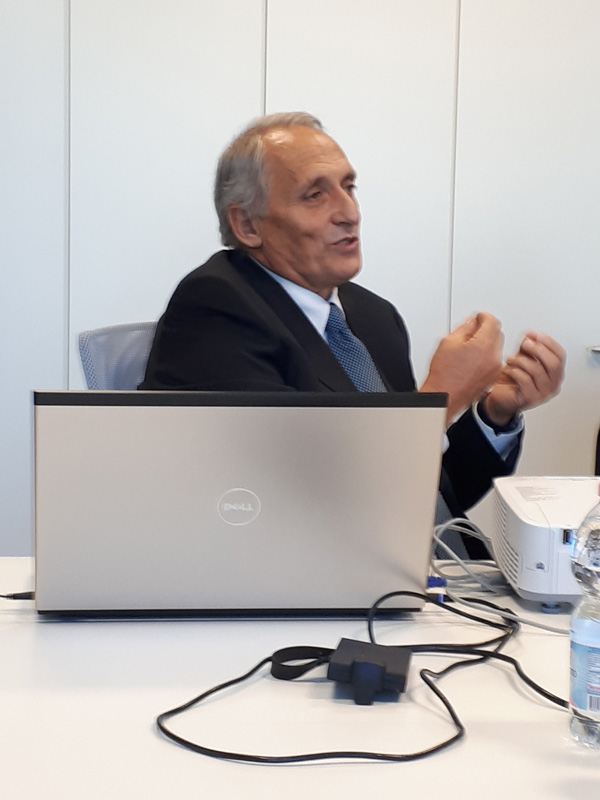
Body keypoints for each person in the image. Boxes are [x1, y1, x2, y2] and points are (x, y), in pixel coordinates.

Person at [140, 112, 565, 551]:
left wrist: (494, 414)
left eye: (349, 187)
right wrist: (444, 394)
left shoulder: (373, 316)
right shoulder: (215, 308)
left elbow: (431, 490)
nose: (349, 212)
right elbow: (290, 504)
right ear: (247, 225)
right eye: (315, 195)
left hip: (441, 572)